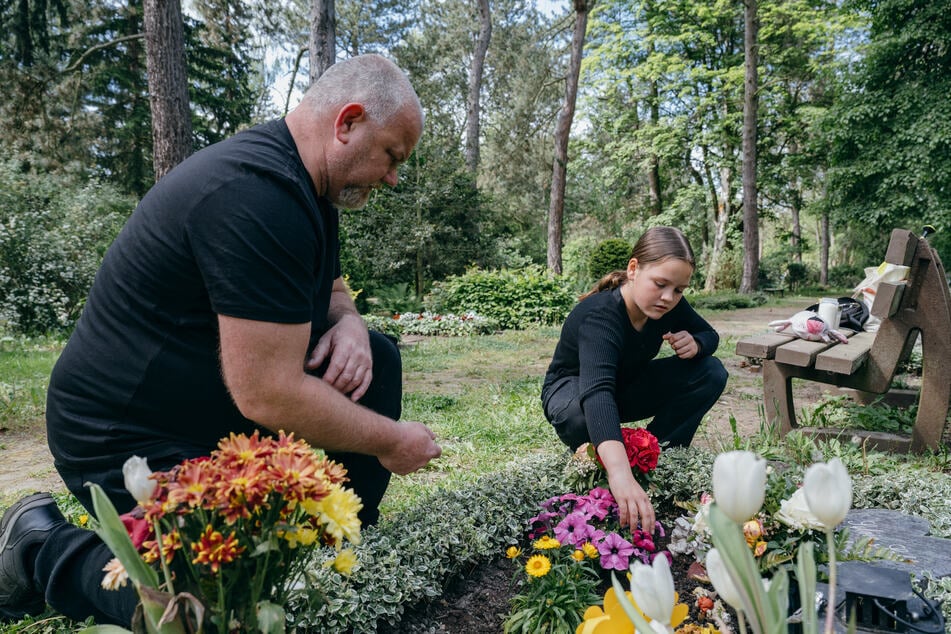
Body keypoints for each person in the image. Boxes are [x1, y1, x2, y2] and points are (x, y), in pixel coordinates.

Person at [0, 53, 441, 625]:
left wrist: (351, 322)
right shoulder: (256, 195)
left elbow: (331, 286)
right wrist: (392, 440)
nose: (393, 177)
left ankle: (332, 548)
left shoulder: (312, 187)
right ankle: (35, 547)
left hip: (210, 415)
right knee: (214, 600)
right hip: (122, 433)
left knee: (375, 357)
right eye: (391, 156)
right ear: (348, 122)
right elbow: (268, 394)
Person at [541, 226, 727, 534]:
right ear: (633, 269)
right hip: (572, 391)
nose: (669, 297)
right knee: (581, 415)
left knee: (711, 371)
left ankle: (657, 455)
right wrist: (619, 474)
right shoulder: (600, 316)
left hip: (625, 386)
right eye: (660, 284)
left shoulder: (668, 306)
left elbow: (709, 334)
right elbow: (597, 392)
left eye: (679, 290)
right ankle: (616, 462)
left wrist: (697, 344)